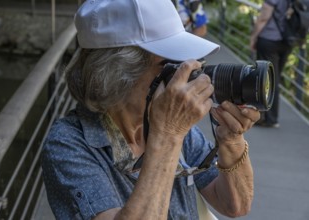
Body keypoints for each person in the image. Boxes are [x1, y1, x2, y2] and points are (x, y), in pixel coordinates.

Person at [41, 0, 259, 219]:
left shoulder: (178, 129)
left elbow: (235, 205)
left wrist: (231, 141)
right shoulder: (68, 144)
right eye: (173, 67)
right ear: (115, 75)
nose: (187, 78)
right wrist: (167, 135)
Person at [250, 0, 293, 128]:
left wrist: (253, 37)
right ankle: (271, 117)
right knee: (275, 78)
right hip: (287, 41)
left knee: (266, 78)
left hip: (269, 40)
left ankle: (267, 118)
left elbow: (264, 17)